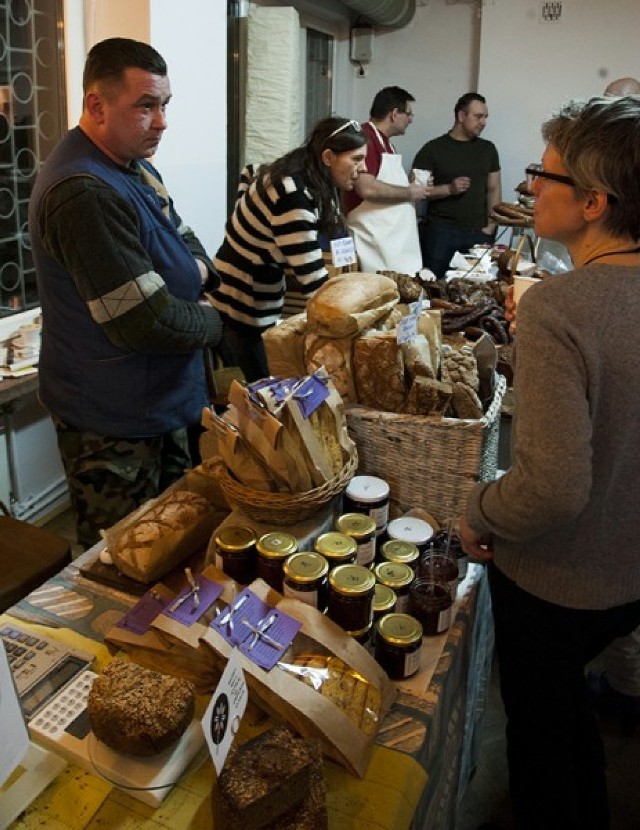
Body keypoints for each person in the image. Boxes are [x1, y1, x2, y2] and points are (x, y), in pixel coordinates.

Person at [459, 95, 640, 829]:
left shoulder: (559, 308)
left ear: (593, 202)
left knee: (544, 743)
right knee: (569, 724)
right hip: (630, 572)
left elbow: (554, 487)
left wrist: (477, 508)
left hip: (560, 581)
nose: (530, 187)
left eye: (546, 174)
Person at [29, 37, 223, 549]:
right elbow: (146, 320)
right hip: (115, 423)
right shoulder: (84, 192)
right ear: (96, 104)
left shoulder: (135, 166)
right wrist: (214, 319)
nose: (161, 121)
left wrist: (195, 276)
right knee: (123, 558)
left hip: (159, 402)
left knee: (175, 544)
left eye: (164, 105)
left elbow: (187, 240)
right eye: (145, 106)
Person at [212, 117, 367, 382]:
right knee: (264, 391)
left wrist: (246, 230)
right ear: (328, 157)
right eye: (356, 159)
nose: (362, 168)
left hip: (255, 292)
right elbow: (315, 285)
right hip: (241, 304)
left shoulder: (299, 173)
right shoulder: (293, 195)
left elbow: (249, 172)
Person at [412, 92, 501, 278]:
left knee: (477, 290)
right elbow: (414, 191)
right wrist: (449, 189)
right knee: (434, 285)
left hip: (478, 234)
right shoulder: (432, 149)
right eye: (478, 116)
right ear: (461, 116)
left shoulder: (488, 149)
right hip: (440, 234)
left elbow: (494, 189)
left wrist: (490, 228)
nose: (483, 122)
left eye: (485, 117)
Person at [343, 86, 429, 274]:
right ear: (394, 113)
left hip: (393, 245)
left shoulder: (386, 144)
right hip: (376, 246)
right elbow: (367, 188)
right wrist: (409, 192)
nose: (411, 120)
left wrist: (410, 184)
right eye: (409, 114)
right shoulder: (366, 139)